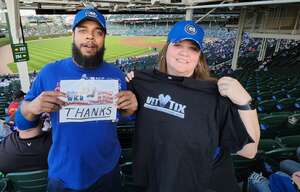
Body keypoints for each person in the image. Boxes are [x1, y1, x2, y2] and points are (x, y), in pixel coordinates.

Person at [126, 20, 260, 192]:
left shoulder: (214, 95)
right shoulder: (141, 83)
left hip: (201, 183)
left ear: (199, 57)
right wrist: (129, 85)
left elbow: (249, 151)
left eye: (193, 48)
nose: (185, 53)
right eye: (178, 45)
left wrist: (245, 102)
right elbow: (124, 112)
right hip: (155, 181)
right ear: (167, 48)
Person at [15, 7, 137, 192]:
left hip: (107, 172)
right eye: (83, 31)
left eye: (98, 32)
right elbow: (22, 123)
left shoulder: (116, 75)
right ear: (73, 35)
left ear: (104, 39)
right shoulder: (49, 72)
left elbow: (123, 116)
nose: (90, 37)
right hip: (63, 175)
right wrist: (32, 107)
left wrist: (130, 110)